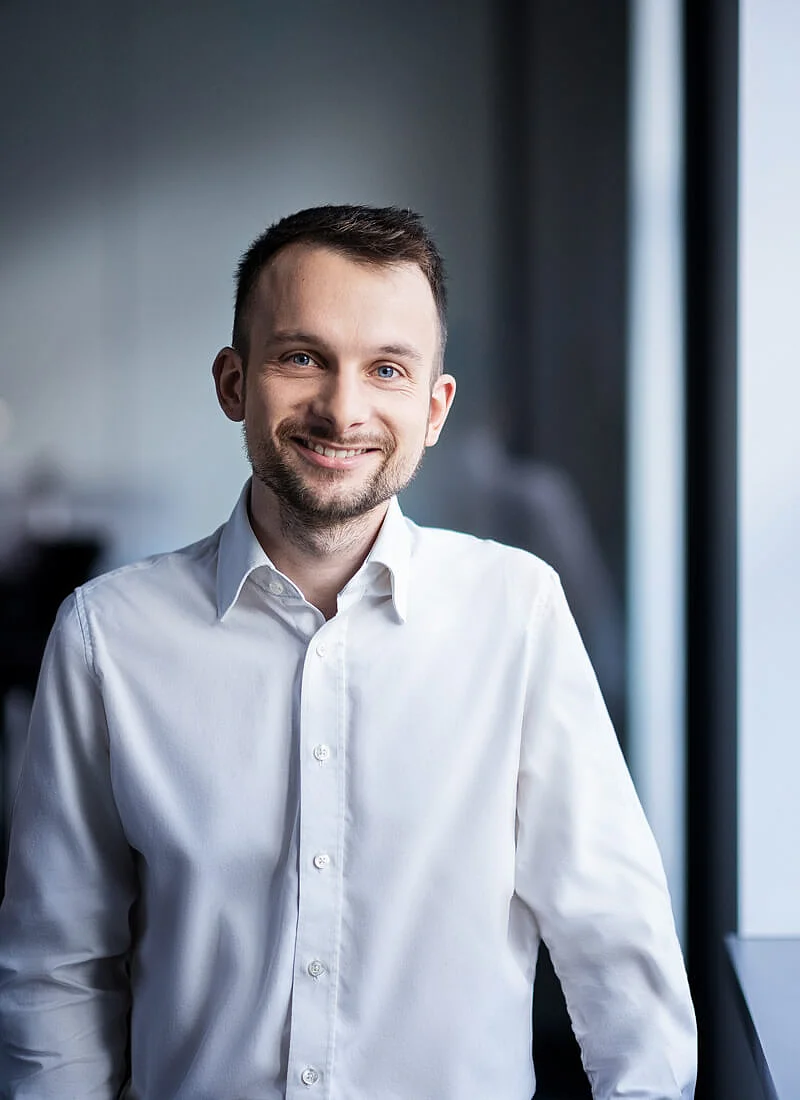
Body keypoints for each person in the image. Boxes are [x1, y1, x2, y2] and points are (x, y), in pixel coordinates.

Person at [0, 204, 696, 1099]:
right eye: (302, 358)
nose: (343, 409)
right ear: (233, 382)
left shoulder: (517, 613)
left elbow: (616, 941)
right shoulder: (107, 638)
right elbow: (56, 968)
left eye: (387, 369)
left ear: (434, 409)